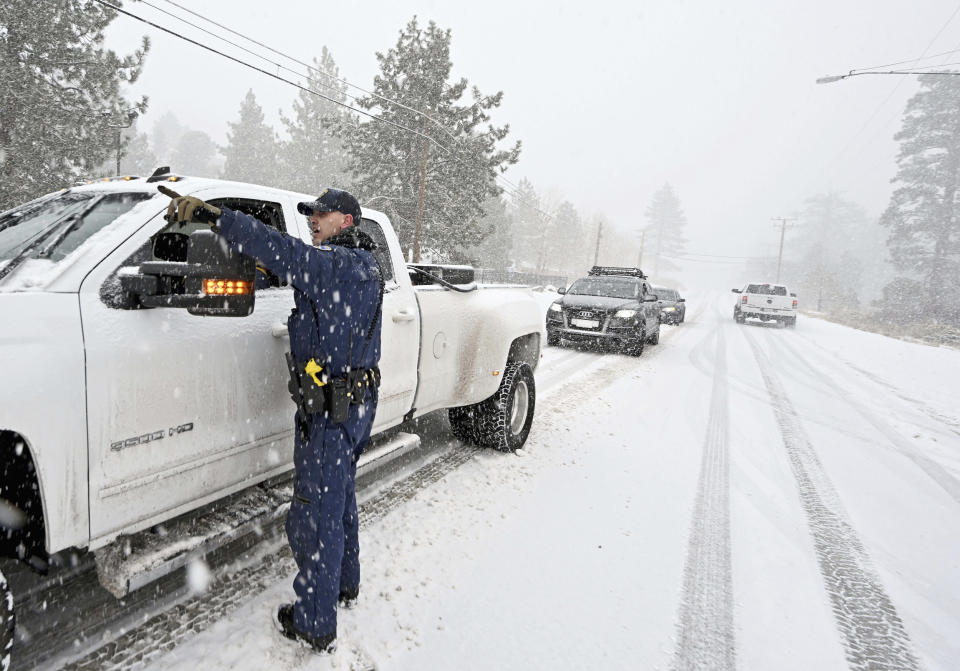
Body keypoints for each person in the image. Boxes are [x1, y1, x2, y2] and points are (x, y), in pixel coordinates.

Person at [162, 187, 383, 653]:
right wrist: (253, 271)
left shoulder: (336, 266)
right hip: (353, 405)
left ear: (347, 221)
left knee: (314, 512)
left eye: (321, 214)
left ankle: (314, 621)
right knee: (339, 498)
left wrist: (219, 218)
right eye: (310, 214)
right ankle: (344, 585)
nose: (312, 220)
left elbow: (289, 253)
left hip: (330, 412)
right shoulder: (355, 267)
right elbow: (291, 267)